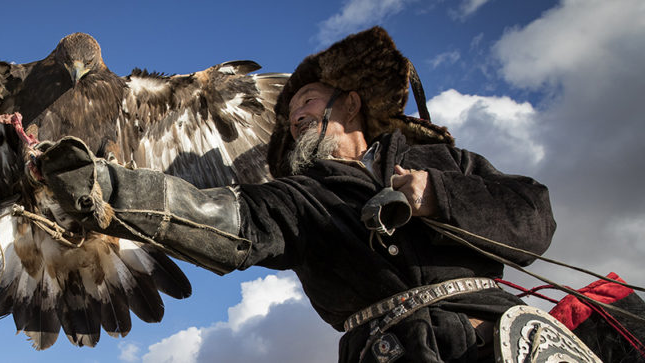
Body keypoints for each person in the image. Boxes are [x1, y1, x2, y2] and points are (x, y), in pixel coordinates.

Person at [35, 26, 561, 362]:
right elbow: (224, 220)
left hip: (504, 337)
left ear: (350, 106)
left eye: (307, 103)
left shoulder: (447, 162)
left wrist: (438, 195)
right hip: (388, 352)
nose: (295, 116)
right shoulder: (301, 198)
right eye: (291, 115)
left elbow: (534, 219)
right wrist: (108, 188)